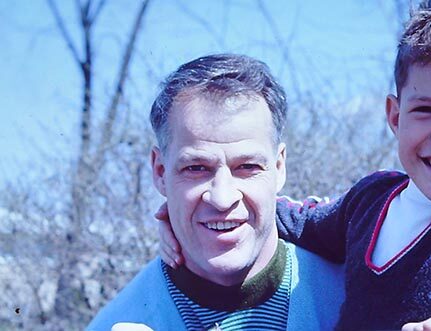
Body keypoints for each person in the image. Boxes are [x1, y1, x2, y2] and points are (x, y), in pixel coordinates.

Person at [157, 1, 431, 330]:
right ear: (395, 116)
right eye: (426, 110)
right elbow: (295, 218)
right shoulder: (370, 200)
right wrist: (190, 215)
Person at [86, 54, 344, 331]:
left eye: (247, 166)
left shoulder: (356, 296)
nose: (222, 198)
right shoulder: (117, 322)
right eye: (196, 168)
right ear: (160, 172)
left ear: (279, 168)